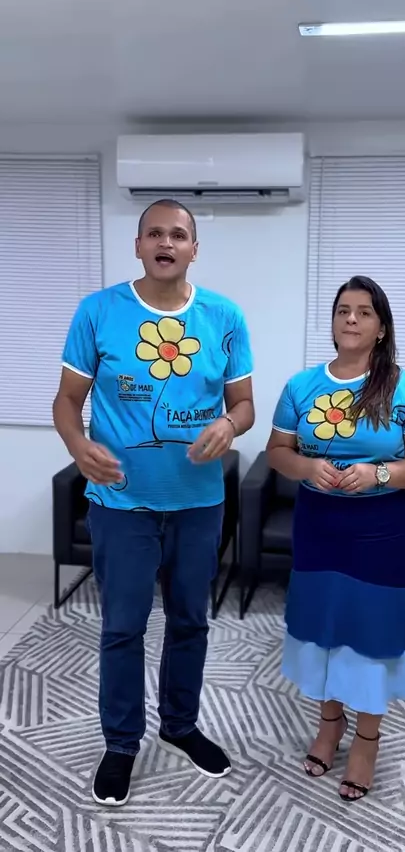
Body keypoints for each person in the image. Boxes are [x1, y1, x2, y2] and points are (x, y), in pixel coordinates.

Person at [53, 199, 254, 807]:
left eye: (179, 235)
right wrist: (78, 444)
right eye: (155, 234)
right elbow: (67, 400)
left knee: (190, 621)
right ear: (138, 245)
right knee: (123, 628)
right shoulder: (98, 312)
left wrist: (230, 425)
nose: (167, 243)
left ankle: (180, 725)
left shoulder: (225, 317)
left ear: (194, 249)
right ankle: (121, 744)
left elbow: (244, 404)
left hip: (199, 503)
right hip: (121, 504)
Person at [266, 275, 405, 803]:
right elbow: (278, 452)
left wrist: (378, 474)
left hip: (379, 530)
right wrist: (306, 467)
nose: (351, 318)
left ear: (381, 327)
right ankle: (329, 724)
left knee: (370, 634)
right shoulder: (301, 386)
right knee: (322, 627)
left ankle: (367, 740)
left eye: (364, 312)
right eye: (343, 309)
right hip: (318, 525)